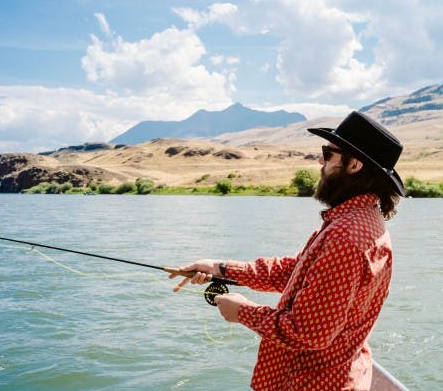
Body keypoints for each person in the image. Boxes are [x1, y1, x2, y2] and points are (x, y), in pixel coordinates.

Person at [170, 111, 405, 390]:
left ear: (354, 164)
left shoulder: (347, 237)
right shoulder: (359, 222)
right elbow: (295, 272)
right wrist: (220, 268)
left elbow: (308, 333)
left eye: (328, 153)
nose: (320, 160)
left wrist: (242, 311)